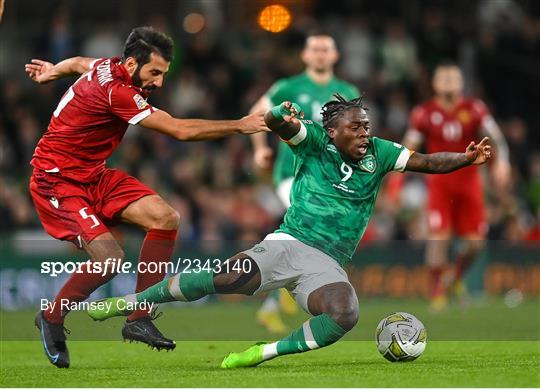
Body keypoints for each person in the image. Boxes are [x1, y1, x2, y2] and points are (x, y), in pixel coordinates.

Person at [88, 95, 492, 368]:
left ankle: (262, 353)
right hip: (291, 243)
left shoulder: (381, 153)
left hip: (329, 263)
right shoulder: (314, 142)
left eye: (366, 127)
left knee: (344, 314)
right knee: (226, 278)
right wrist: (282, 114)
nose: (365, 134)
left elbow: (426, 161)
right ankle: (132, 301)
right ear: (334, 132)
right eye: (356, 128)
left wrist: (465, 158)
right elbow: (275, 122)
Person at [25, 26, 267, 368]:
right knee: (110, 260)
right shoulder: (117, 91)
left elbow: (79, 63)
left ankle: (139, 317)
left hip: (93, 174)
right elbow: (180, 130)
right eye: (154, 72)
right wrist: (241, 125)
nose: (159, 83)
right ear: (131, 63)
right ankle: (51, 317)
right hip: (57, 181)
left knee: (166, 218)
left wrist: (52, 71)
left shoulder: (107, 66)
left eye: (164, 74)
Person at [249, 33, 359, 333]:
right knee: (310, 227)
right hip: (293, 175)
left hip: (331, 179)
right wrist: (260, 149)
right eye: (315, 49)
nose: (321, 54)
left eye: (326, 49)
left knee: (320, 235)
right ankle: (286, 293)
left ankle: (275, 302)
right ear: (305, 55)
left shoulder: (347, 91)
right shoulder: (288, 86)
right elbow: (257, 113)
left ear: (335, 55)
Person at [400, 61, 510, 310]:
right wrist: (397, 177)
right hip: (439, 183)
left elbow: (497, 138)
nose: (449, 82)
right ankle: (437, 291)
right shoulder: (423, 112)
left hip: (471, 182)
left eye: (453, 78)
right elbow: (409, 146)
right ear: (435, 84)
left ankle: (456, 277)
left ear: (461, 82)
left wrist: (503, 162)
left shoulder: (475, 108)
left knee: (476, 243)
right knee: (439, 239)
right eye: (444, 78)